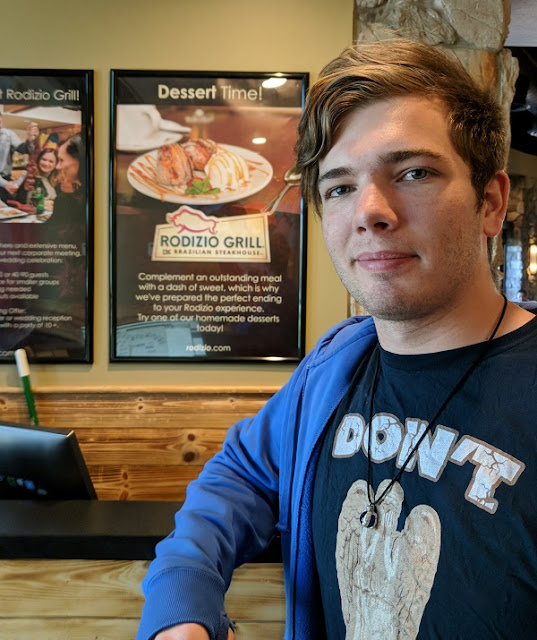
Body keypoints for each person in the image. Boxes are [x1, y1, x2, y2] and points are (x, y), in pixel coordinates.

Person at [136, 39, 537, 640]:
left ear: (491, 203)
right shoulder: (335, 365)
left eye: (414, 172)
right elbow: (240, 474)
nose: (370, 211)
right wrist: (182, 598)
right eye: (340, 186)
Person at [0, 114, 39, 203]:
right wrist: (5, 184)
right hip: (4, 184)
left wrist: (29, 139)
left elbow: (24, 149)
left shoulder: (7, 135)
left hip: (4, 183)